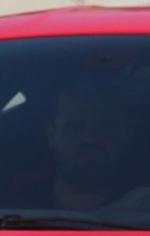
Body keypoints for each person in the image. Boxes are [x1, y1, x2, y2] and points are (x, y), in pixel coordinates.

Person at [43, 73, 142, 209]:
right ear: (51, 135)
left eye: (106, 126)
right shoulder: (16, 205)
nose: (90, 139)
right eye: (75, 127)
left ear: (128, 132)